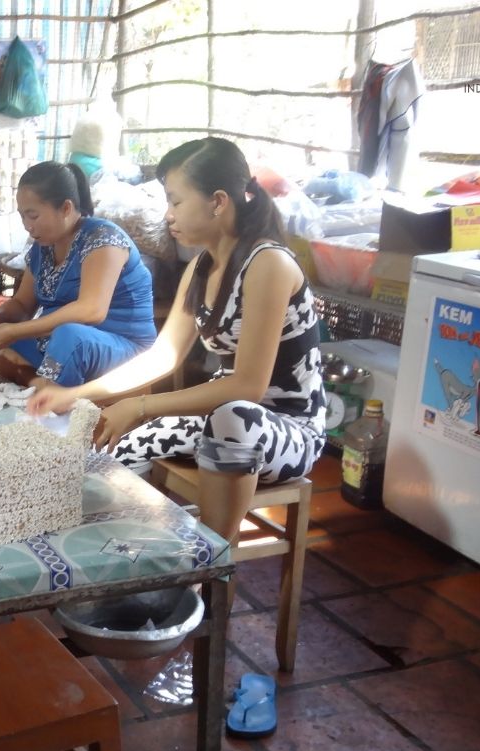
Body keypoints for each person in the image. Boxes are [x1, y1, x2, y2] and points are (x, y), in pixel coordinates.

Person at [28, 137, 326, 547]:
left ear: (218, 201)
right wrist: (76, 394)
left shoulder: (268, 263)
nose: (168, 215)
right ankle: (135, 557)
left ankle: (214, 565)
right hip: (224, 418)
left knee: (233, 417)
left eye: (176, 201)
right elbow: (162, 357)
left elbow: (248, 387)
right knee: (108, 456)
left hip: (287, 429)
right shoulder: (203, 267)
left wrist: (142, 405)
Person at [0, 160, 157, 388]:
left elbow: (91, 311)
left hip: (117, 345)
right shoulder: (43, 247)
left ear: (66, 209)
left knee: (69, 337)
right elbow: (22, 306)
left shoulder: (103, 239)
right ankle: (38, 385)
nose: (27, 226)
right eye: (22, 216)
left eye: (33, 216)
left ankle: (38, 386)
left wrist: (15, 332)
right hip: (55, 342)